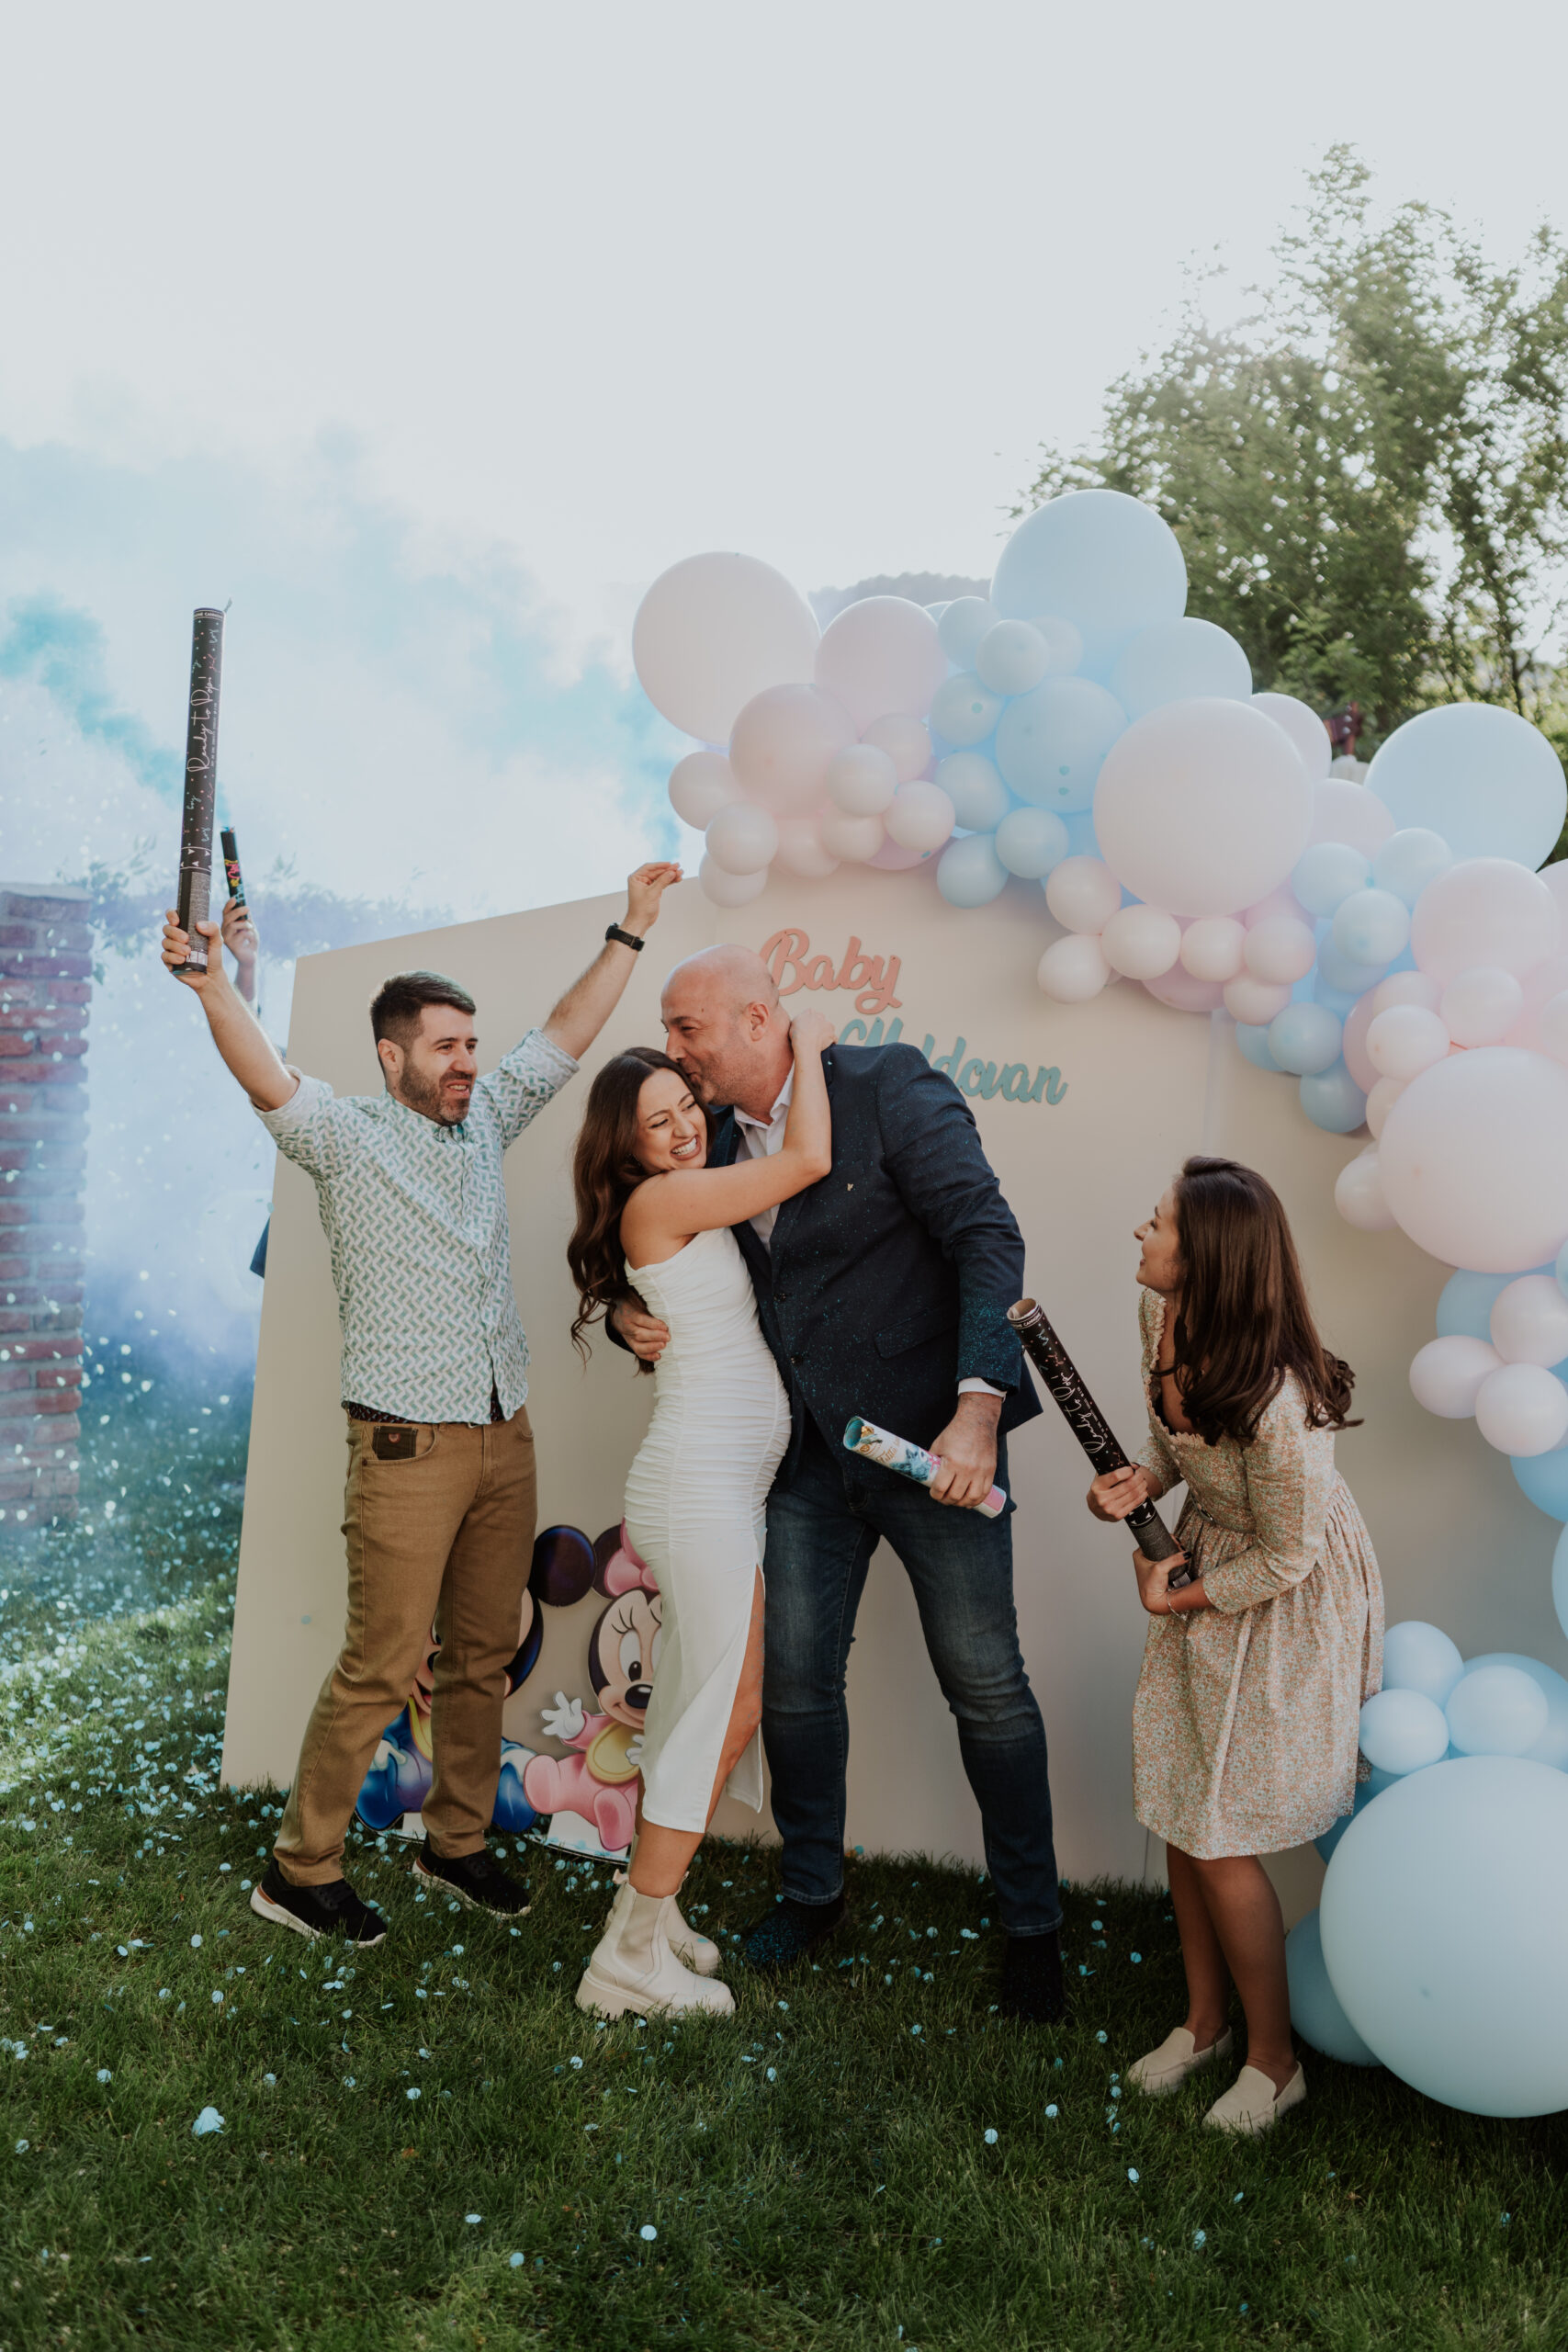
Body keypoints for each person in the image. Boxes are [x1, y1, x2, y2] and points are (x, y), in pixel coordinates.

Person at [160, 862, 681, 1947]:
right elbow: (266, 1076)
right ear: (391, 1055)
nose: (467, 1062)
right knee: (384, 1661)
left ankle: (456, 1842)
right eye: (445, 1046)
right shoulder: (342, 1135)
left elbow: (564, 1034)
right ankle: (300, 1869)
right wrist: (214, 986)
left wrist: (630, 928)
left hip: (504, 1432)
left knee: (482, 1652)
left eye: (471, 1044)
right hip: (405, 1447)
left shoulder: (484, 1120)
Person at [613, 945, 1066, 2024]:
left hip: (935, 1451)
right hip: (805, 1460)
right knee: (797, 1685)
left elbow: (986, 1234)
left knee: (987, 1687)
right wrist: (634, 1316)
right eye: (668, 1031)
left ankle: (1032, 1927)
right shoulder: (702, 1136)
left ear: (758, 1017)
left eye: (685, 1027)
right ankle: (811, 1891)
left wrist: (978, 1409)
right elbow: (655, 1246)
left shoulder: (887, 1084)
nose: (672, 1050)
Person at [1089, 1156, 1383, 2135]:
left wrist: (1182, 1595)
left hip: (1278, 1589)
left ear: (1206, 1256)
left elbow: (1292, 1554)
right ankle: (1205, 2022)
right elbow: (1176, 1443)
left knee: (1218, 1826)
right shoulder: (1159, 1315)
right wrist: (1137, 1485)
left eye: (1158, 1223)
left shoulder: (1280, 1399)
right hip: (1210, 1558)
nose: (1141, 1233)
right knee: (1184, 1805)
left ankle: (1275, 2062)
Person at [565, 1009, 836, 2017]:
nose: (684, 1127)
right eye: (659, 1120)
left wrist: (625, 1313)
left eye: (688, 1106)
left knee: (704, 1710)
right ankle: (626, 1961)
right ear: (626, 1145)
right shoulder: (666, 1198)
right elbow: (808, 1158)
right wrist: (810, 1047)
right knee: (717, 1713)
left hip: (718, 1493)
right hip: (696, 1493)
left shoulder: (683, 1194)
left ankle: (652, 1910)